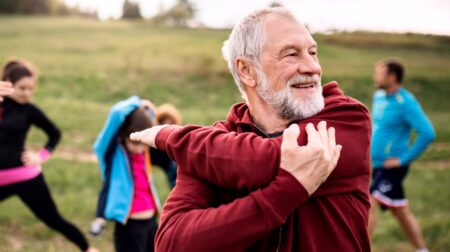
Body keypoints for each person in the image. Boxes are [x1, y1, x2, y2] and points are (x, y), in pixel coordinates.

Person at [131, 7, 372, 251]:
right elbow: (172, 243)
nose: (312, 67)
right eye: (291, 54)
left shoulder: (347, 117)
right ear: (247, 71)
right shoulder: (212, 146)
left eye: (313, 52)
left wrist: (173, 136)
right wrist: (286, 191)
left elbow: (263, 159)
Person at [0, 60, 98, 252]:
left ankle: (87, 249)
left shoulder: (29, 111)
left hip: (25, 177)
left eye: (31, 88)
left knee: (54, 219)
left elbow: (55, 133)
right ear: (7, 84)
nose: (27, 93)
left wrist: (41, 156)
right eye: (22, 88)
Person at [89, 96, 176, 252]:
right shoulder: (112, 154)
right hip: (129, 228)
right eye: (134, 143)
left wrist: (149, 110)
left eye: (142, 144)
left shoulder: (144, 152)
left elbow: (151, 121)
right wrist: (139, 102)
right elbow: (116, 112)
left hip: (151, 222)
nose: (139, 149)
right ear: (123, 135)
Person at [368, 59, 435, 252]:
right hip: (377, 164)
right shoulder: (378, 96)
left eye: (380, 73)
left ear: (392, 76)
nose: (376, 77)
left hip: (393, 167)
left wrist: (403, 159)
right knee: (400, 212)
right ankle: (422, 250)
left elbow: (427, 133)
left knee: (369, 203)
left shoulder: (406, 102)